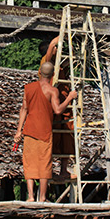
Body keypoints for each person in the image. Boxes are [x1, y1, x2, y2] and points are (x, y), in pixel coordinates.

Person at [15, 62, 77, 202]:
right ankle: (42, 197)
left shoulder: (29, 88)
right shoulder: (52, 91)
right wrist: (69, 97)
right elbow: (58, 110)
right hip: (44, 132)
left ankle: (31, 197)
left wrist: (19, 131)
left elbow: (24, 109)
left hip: (29, 130)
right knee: (44, 164)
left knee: (29, 162)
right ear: (53, 75)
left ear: (39, 73)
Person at [39, 36, 76, 179]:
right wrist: (64, 33)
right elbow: (53, 44)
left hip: (64, 104)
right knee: (51, 136)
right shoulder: (46, 62)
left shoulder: (58, 64)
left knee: (67, 135)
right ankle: (49, 169)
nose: (57, 49)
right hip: (53, 105)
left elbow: (69, 62)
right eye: (55, 49)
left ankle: (63, 170)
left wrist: (72, 49)